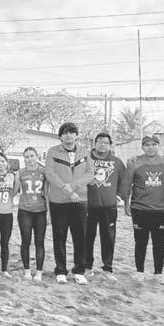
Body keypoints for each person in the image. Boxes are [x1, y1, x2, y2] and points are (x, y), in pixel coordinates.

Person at [44, 122, 94, 285]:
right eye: (65, 133)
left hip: (79, 200)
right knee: (59, 236)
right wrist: (65, 189)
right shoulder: (53, 152)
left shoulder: (84, 152)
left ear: (76, 135)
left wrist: (73, 187)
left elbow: (90, 173)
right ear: (60, 137)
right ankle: (60, 270)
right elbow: (49, 173)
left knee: (80, 237)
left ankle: (79, 271)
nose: (68, 135)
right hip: (59, 201)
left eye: (72, 132)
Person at [122, 135, 164, 282]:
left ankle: (158, 273)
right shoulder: (134, 162)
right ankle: (139, 271)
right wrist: (126, 203)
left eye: (154, 144)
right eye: (147, 145)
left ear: (158, 146)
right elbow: (126, 184)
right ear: (142, 147)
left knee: (159, 244)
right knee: (140, 242)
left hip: (161, 209)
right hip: (140, 209)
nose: (151, 147)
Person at [85, 132, 125, 280]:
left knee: (108, 237)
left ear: (110, 145)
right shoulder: (85, 160)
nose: (103, 145)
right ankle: (87, 267)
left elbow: (124, 181)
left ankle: (107, 269)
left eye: (106, 143)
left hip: (109, 206)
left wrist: (120, 196)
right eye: (100, 142)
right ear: (94, 143)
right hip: (88, 205)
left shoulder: (117, 162)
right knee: (87, 236)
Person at [17, 147, 48, 281]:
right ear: (24, 159)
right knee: (25, 241)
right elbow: (14, 190)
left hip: (40, 211)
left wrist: (49, 212)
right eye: (27, 157)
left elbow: (47, 193)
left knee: (39, 242)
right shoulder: (20, 173)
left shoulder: (44, 171)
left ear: (37, 156)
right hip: (25, 211)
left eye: (32, 156)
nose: (30, 159)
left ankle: (39, 272)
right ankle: (27, 270)